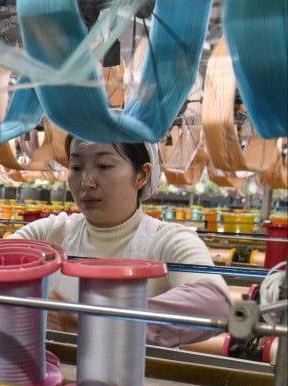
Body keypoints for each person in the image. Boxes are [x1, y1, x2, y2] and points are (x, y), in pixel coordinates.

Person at [12, 136, 231, 347]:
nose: (87, 182)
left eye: (104, 166)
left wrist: (100, 319)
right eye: (77, 168)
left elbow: (214, 304)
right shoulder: (50, 233)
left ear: (141, 175)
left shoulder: (169, 241)